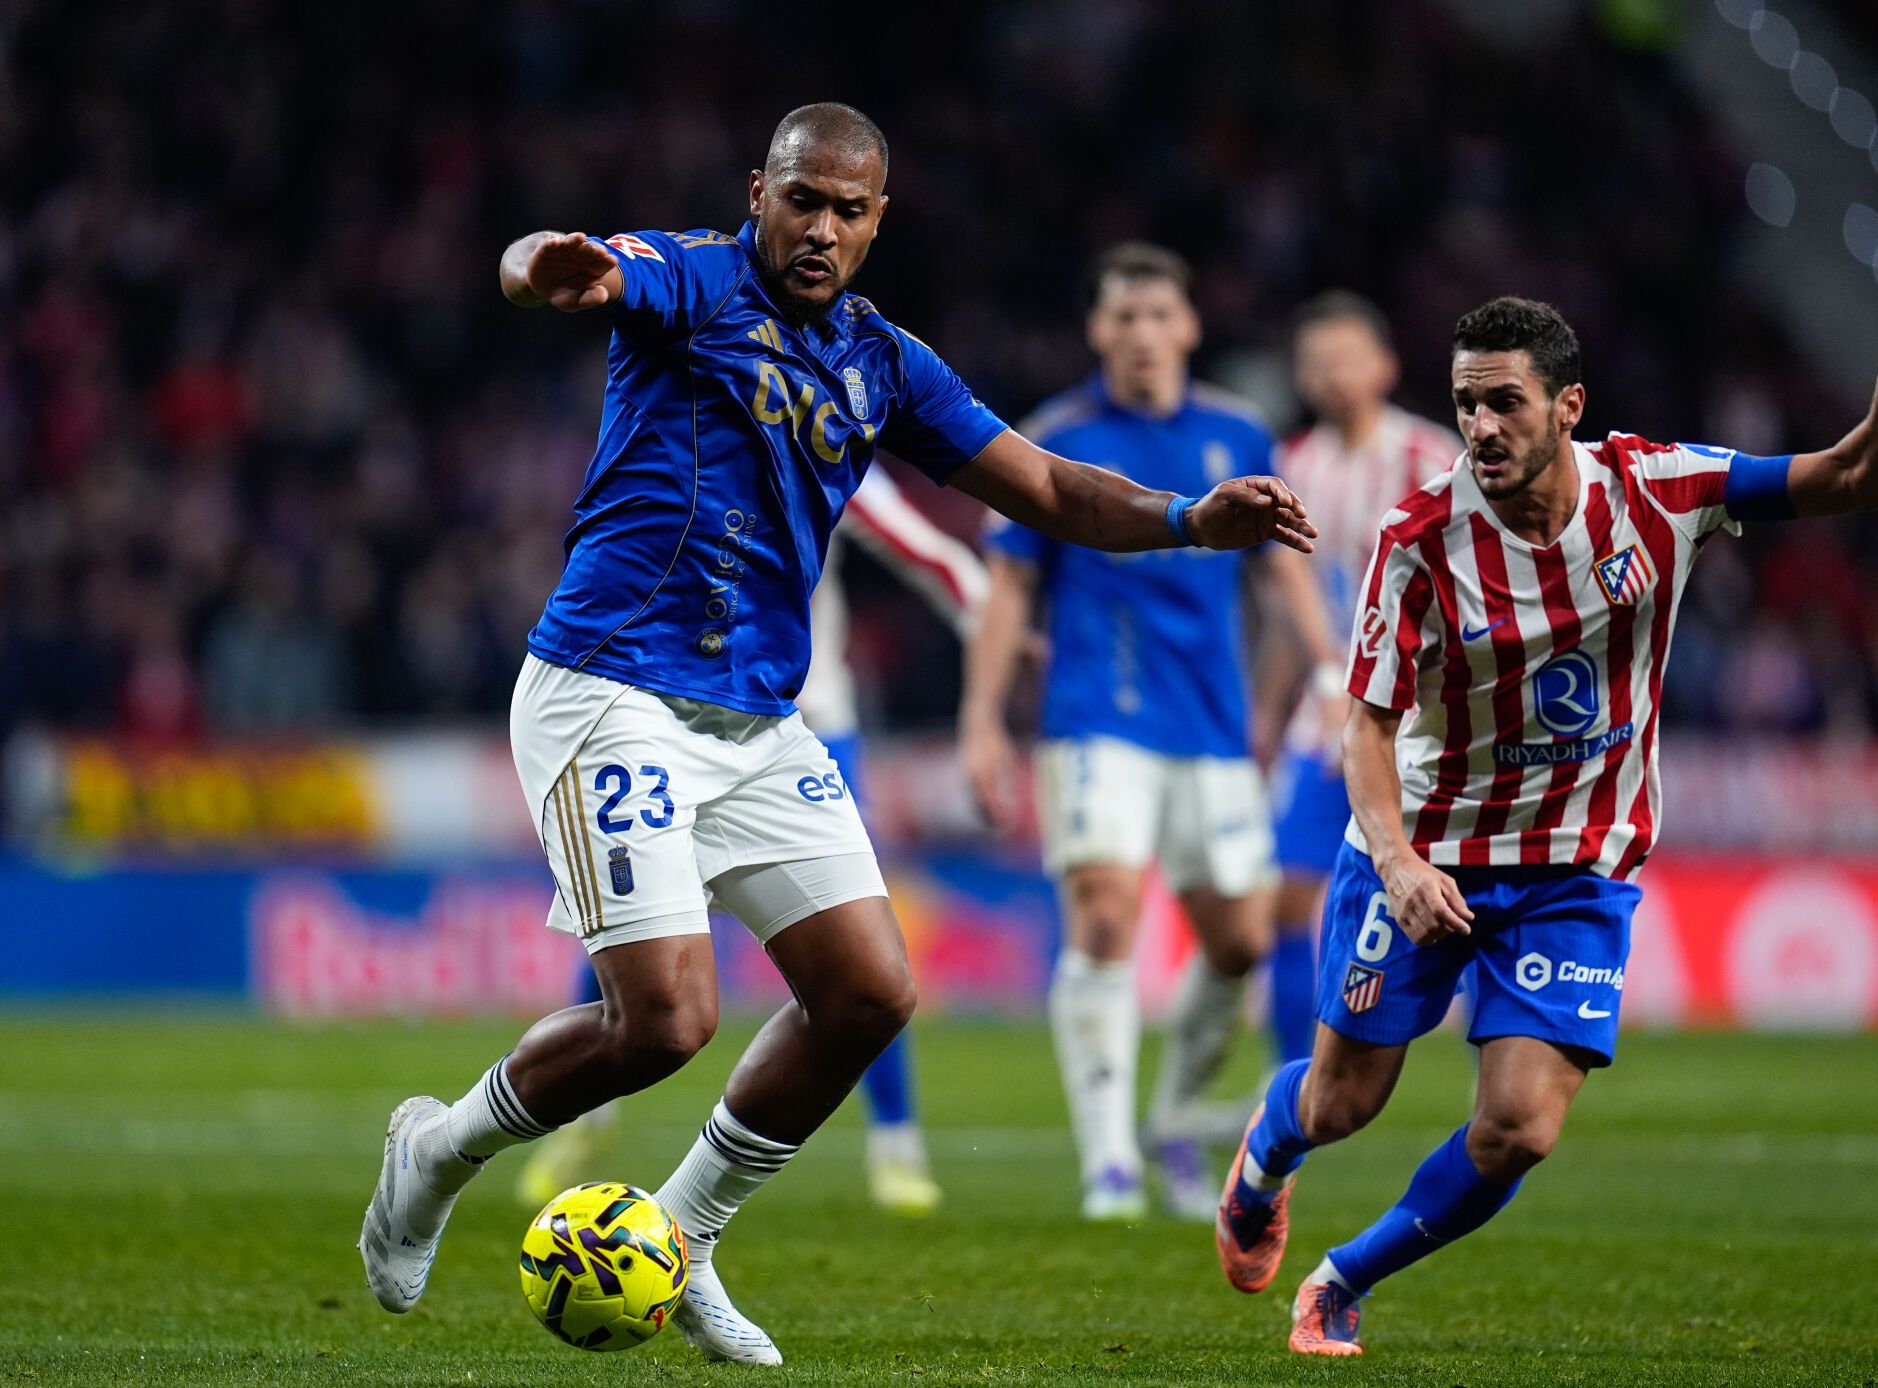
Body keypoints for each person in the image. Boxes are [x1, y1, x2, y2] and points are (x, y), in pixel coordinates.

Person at [355, 102, 1316, 1367]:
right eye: (800, 199)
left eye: (846, 209)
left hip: (757, 717)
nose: (819, 228)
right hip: (609, 689)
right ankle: (433, 1149)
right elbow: (543, 258)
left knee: (870, 992)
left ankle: (682, 1235)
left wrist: (1191, 519)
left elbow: (1044, 487)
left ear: (875, 221)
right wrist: (547, 266)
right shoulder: (687, 280)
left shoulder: (886, 363)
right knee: (664, 1023)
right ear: (758, 191)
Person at [1213, 297, 1878, 1356]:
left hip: (1575, 863)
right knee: (1340, 1102)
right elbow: (1365, 727)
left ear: (1567, 405)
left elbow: (1848, 477)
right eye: (1465, 402)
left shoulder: (1660, 490)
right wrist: (1393, 859)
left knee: (1519, 1123)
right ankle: (1261, 1164)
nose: (1480, 426)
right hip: (1425, 849)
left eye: (1504, 402)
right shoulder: (1418, 536)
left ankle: (1341, 1279)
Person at [959, 244, 1338, 1222]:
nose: (1137, 333)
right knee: (1103, 912)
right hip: (1095, 720)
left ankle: (1171, 1118)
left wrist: (1325, 672)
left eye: (1154, 314)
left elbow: (1281, 566)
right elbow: (1008, 585)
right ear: (1095, 332)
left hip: (1211, 729)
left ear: (1187, 327)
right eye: (1119, 316)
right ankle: (1107, 1163)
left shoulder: (1236, 430)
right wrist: (980, 718)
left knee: (1241, 941)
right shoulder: (1055, 436)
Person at [514, 462, 986, 1218]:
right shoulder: (689, 443)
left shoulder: (827, 448)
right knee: (637, 934)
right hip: (671, 720)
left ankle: (896, 1146)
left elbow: (931, 556)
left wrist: (991, 628)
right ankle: (584, 1118)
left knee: (862, 958)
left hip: (807, 731)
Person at [1256, 292, 1462, 1065]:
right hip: (1331, 715)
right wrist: (1274, 714)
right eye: (1316, 363)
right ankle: (1288, 1083)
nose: (1332, 376)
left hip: (1427, 720)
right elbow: (1288, 593)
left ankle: (1497, 1084)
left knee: (1467, 895)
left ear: (1384, 365)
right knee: (1284, 902)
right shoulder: (1294, 464)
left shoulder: (1433, 457)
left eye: (1346, 358)